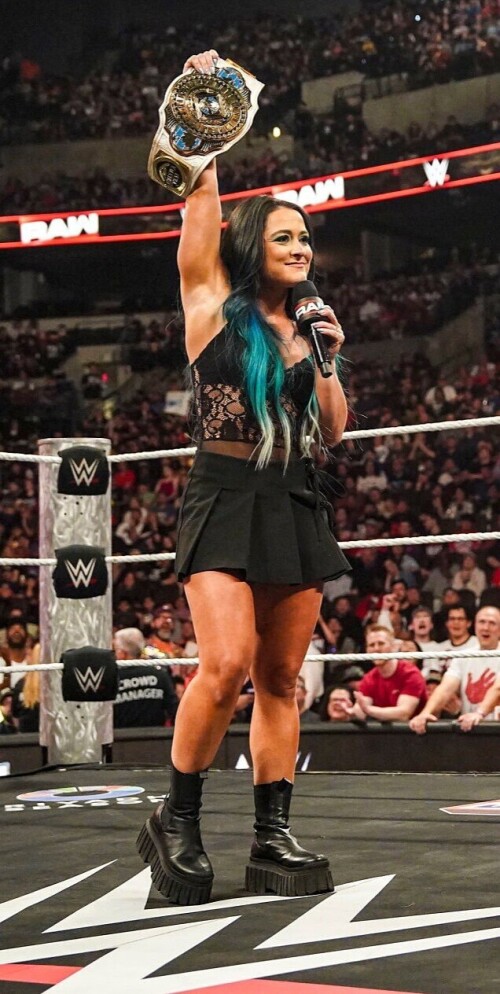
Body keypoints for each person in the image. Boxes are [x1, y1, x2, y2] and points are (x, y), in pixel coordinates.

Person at [137, 48, 350, 907]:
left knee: (282, 680)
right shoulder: (207, 306)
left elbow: (335, 430)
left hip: (296, 497)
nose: (303, 247)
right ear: (255, 242)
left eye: (308, 237)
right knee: (222, 666)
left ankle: (272, 832)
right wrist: (205, 110)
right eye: (288, 234)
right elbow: (199, 203)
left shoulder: (310, 330)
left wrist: (329, 359)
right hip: (223, 492)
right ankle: (176, 819)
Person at [409, 606, 500, 734]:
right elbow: (445, 688)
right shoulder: (464, 655)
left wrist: (479, 713)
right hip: (470, 728)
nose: (485, 627)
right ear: (475, 626)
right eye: (482, 622)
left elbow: (498, 689)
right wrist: (425, 713)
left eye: (492, 623)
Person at [347, 625, 428, 723]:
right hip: (385, 735)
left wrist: (369, 710)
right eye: (371, 645)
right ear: (367, 650)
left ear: (393, 646)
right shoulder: (369, 678)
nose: (376, 649)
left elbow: (404, 714)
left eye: (381, 643)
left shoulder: (410, 673)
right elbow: (361, 710)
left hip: (415, 733)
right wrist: (349, 711)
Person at [113, 628, 178, 728]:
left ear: (122, 653)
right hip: (156, 738)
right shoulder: (159, 674)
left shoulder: (113, 679)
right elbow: (174, 709)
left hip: (121, 739)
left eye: (115, 650)